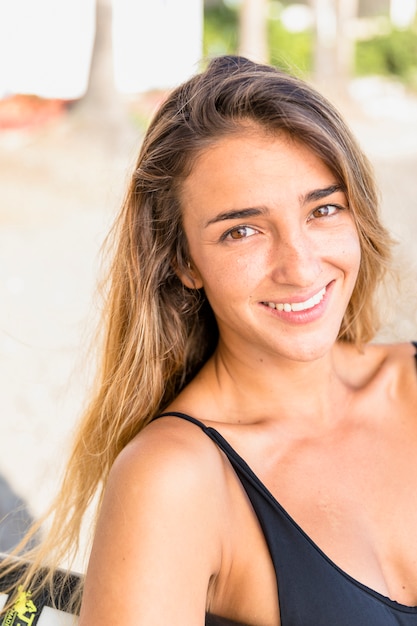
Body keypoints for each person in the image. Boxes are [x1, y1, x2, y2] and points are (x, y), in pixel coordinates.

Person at [2, 55, 417, 625]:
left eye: (323, 209)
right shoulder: (174, 480)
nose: (299, 266)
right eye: (242, 230)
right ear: (182, 260)